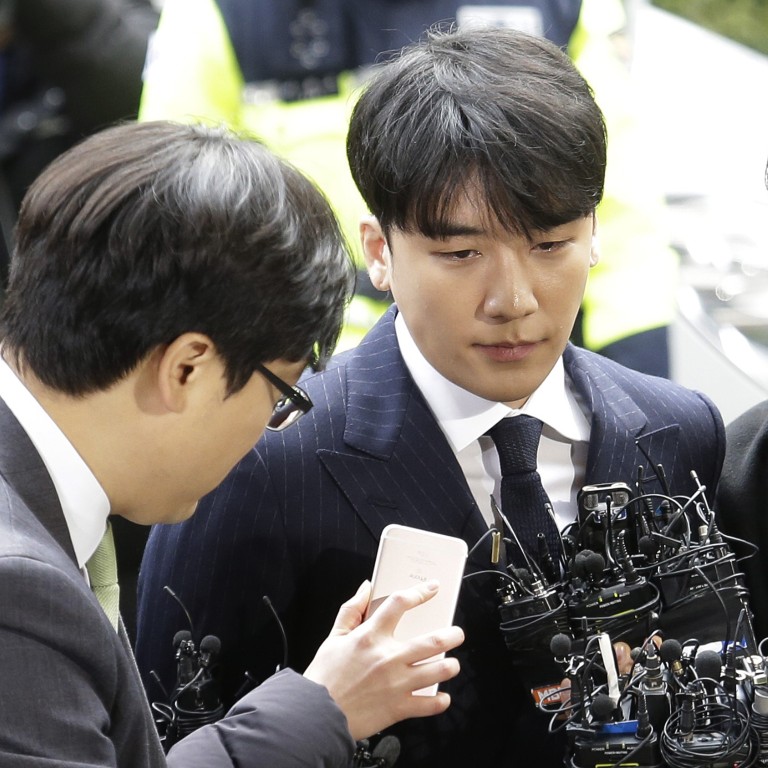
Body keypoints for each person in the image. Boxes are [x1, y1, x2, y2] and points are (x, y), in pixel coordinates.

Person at [136, 28, 725, 767]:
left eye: (549, 246)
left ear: (596, 233)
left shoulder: (679, 431)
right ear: (378, 252)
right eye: (460, 254)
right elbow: (169, 736)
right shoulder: (262, 462)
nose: (513, 300)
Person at [0, 119, 464, 767]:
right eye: (279, 400)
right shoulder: (19, 589)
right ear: (187, 367)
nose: (264, 435)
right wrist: (319, 710)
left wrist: (319, 700)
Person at [138, 0, 677, 373]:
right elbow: (175, 218)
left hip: (515, 362)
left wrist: (633, 383)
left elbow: (618, 207)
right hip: (301, 368)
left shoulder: (563, 6)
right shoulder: (222, 13)